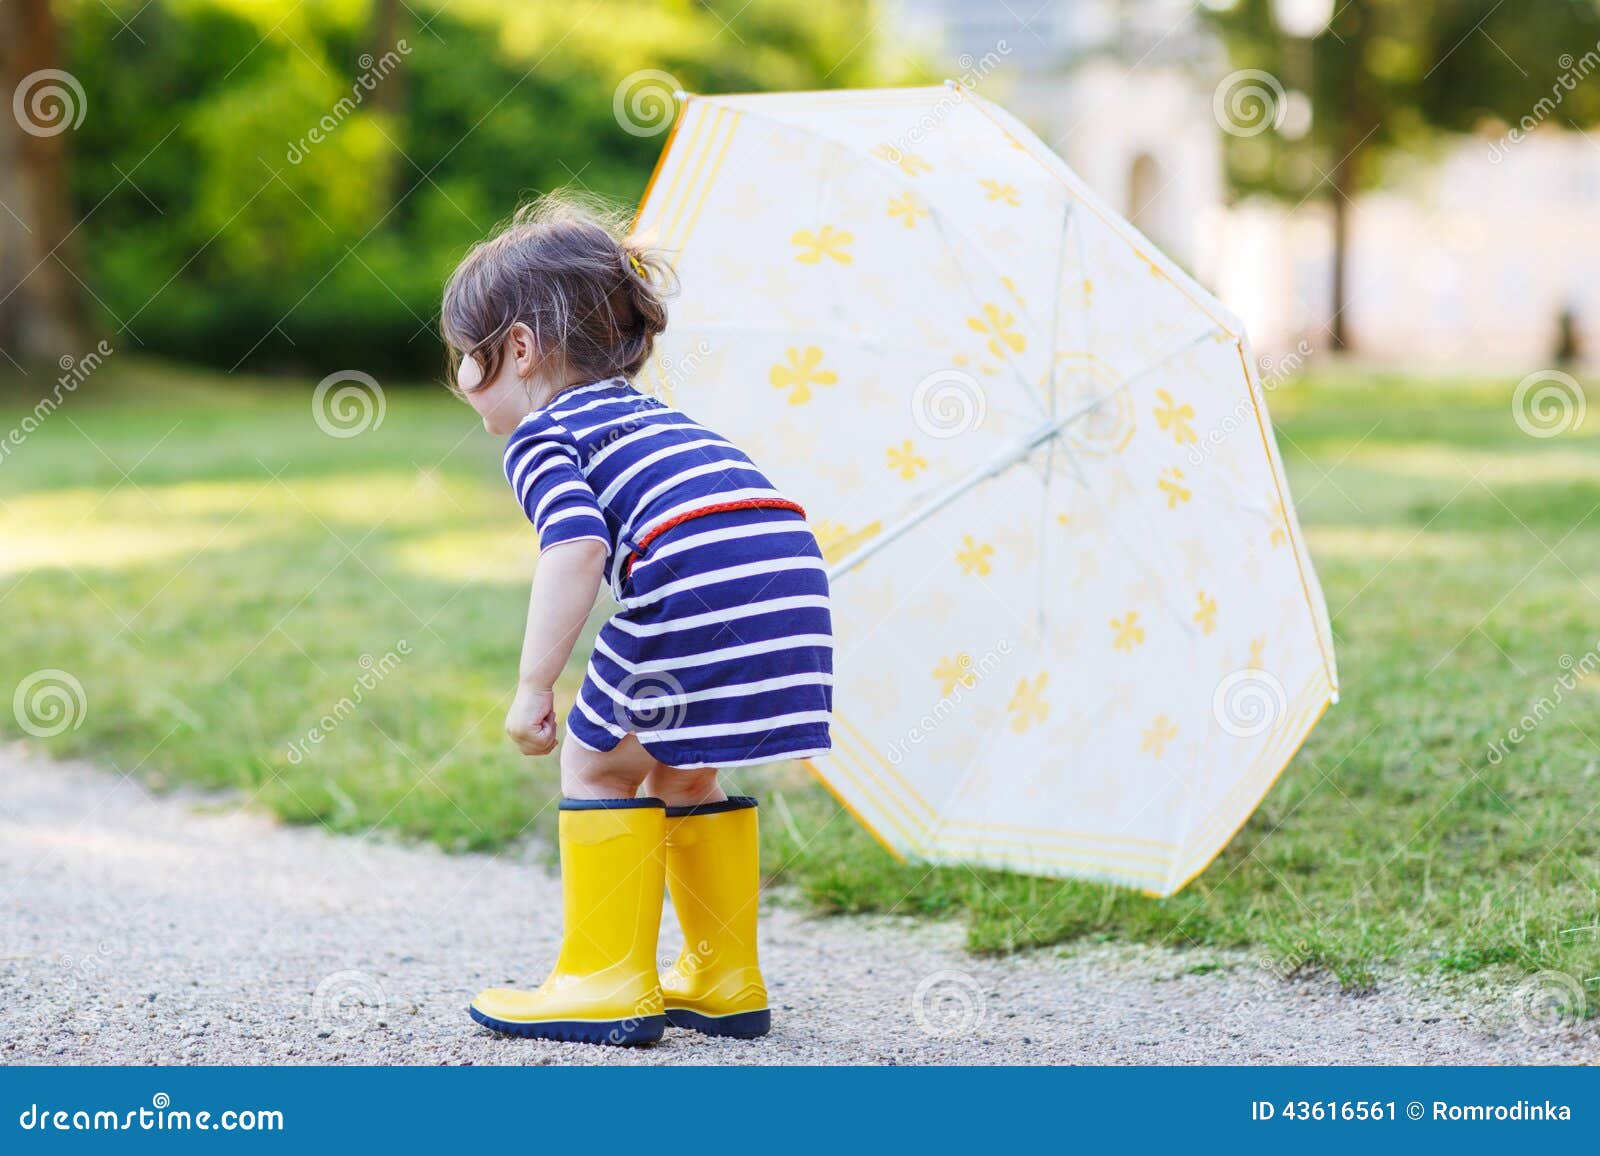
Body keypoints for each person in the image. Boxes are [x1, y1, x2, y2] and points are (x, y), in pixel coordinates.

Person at [439, 193, 833, 1045]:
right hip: (789, 583)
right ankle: (724, 977)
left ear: (516, 349)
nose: (460, 382)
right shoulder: (656, 418)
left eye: (463, 359)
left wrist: (534, 684)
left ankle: (605, 979)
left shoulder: (546, 438)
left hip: (698, 585)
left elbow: (574, 550)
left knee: (594, 763)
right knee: (680, 768)